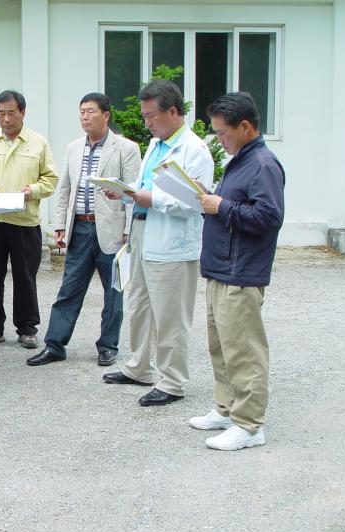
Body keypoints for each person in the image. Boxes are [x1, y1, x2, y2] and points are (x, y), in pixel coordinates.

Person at [101, 79, 214, 407]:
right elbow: (144, 185)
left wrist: (150, 198)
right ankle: (139, 367)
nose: (147, 122)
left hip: (171, 242)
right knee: (139, 305)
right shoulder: (155, 145)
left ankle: (172, 381)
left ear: (173, 112)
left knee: (170, 314)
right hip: (142, 232)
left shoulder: (194, 150)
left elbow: (195, 201)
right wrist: (125, 192)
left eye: (152, 116)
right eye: (144, 116)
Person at [191, 92, 285, 451]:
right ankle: (227, 409)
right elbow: (235, 205)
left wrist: (222, 206)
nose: (219, 140)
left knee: (244, 351)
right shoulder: (241, 160)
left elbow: (269, 217)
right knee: (222, 347)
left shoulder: (263, 164)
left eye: (222, 132)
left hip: (241, 272)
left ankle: (249, 425)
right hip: (221, 269)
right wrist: (211, 199)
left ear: (245, 127)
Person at [27, 92, 140, 367]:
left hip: (113, 230)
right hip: (79, 227)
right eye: (81, 112)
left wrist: (129, 230)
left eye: (90, 111)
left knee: (113, 292)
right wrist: (60, 225)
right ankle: (55, 345)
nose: (85, 117)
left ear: (106, 115)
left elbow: (133, 191)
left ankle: (108, 346)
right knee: (69, 289)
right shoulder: (74, 147)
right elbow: (65, 188)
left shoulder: (125, 148)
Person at [0, 90, 58, 349]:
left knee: (25, 277)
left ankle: (27, 328)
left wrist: (32, 191)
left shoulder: (38, 143)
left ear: (23, 112)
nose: (6, 119)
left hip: (25, 221)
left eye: (11, 113)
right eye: (0, 114)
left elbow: (50, 179)